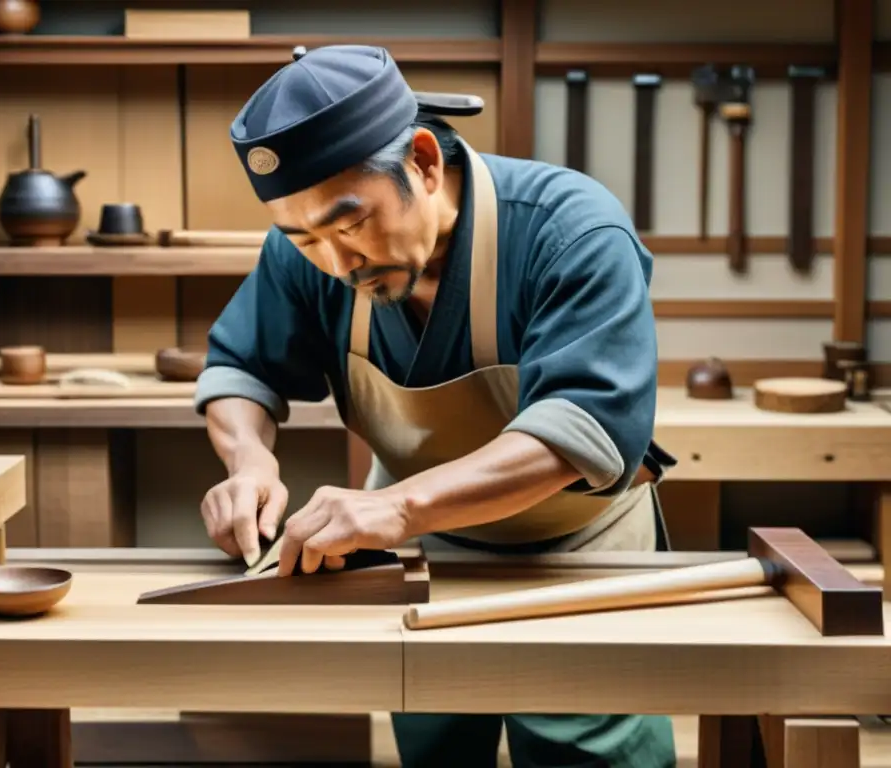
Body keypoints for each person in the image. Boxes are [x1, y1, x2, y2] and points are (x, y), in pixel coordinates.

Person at [195, 43, 678, 768]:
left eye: (351, 224)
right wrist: (248, 459)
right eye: (305, 238)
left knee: (589, 751)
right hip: (417, 553)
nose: (336, 263)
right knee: (433, 743)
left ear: (423, 161)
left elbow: (581, 427)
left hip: (577, 552)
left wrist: (395, 508)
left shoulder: (569, 229)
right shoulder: (309, 255)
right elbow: (238, 368)